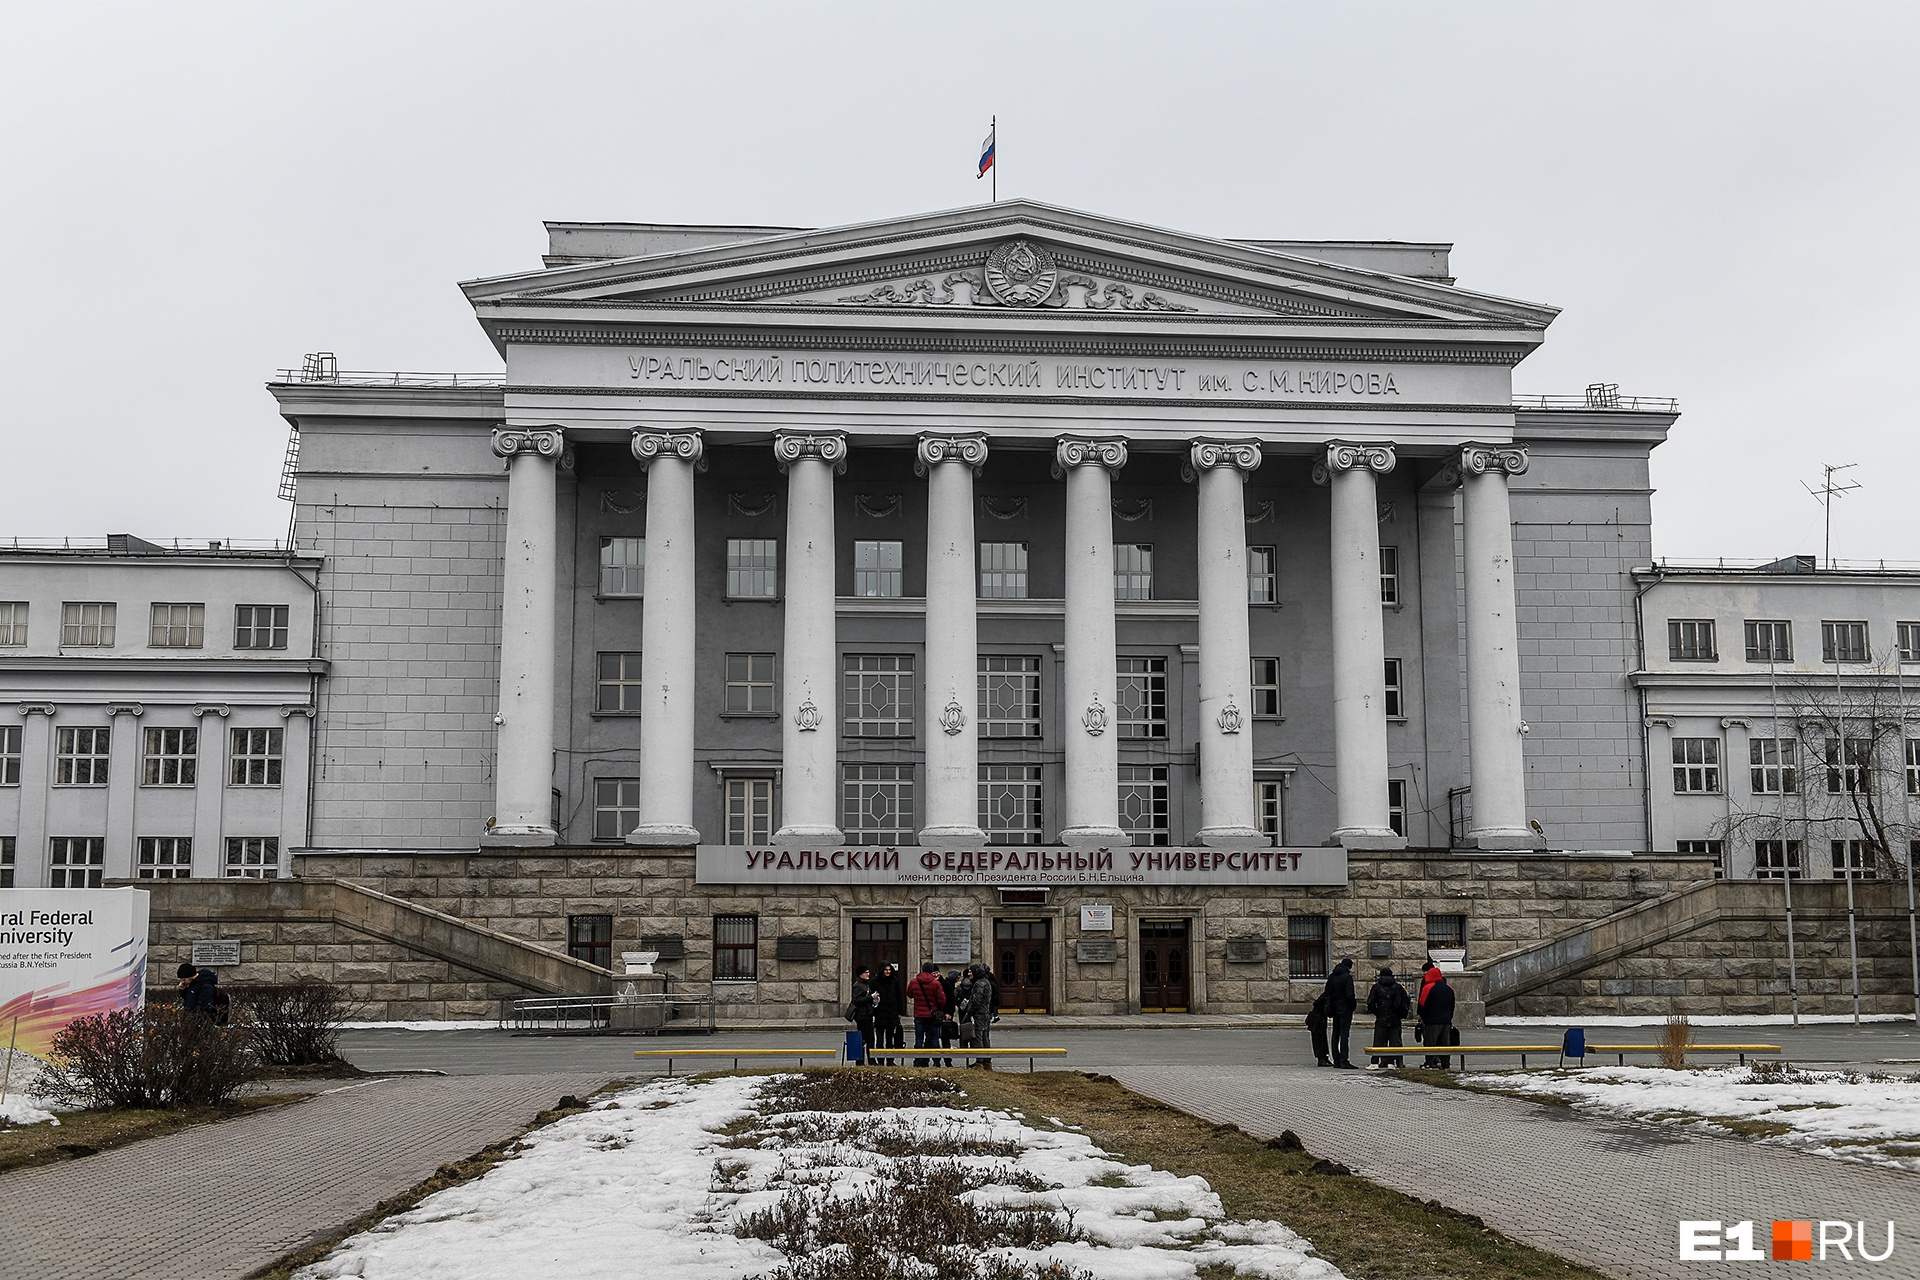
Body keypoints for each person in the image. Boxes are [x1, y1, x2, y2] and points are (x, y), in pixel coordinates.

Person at [1363, 968, 1410, 1069]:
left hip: (1381, 1017)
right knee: (1394, 1042)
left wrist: (1377, 1012)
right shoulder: (1398, 987)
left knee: (1378, 1041)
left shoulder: (1377, 987)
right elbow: (1405, 1002)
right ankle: (1391, 1063)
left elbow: (1370, 1003)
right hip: (1395, 1018)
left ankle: (1374, 1062)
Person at [907, 962, 946, 1066]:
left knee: (919, 1039)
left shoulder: (914, 982)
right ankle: (936, 1062)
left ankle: (918, 1062)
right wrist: (938, 1009)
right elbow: (942, 1000)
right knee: (934, 1039)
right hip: (932, 1015)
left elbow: (909, 994)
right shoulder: (936, 984)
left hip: (919, 1015)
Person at [1323, 957, 1357, 1069]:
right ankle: (1344, 1060)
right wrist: (1352, 1006)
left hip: (1334, 1009)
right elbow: (1350, 995)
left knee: (1335, 1034)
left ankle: (1336, 1060)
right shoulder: (1347, 978)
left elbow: (1327, 992)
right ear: (1349, 967)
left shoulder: (1332, 976)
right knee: (1344, 1035)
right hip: (1345, 1009)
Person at [960, 962, 996, 1068]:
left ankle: (979, 1062)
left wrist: (969, 1013)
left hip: (979, 1014)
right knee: (984, 1037)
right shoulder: (986, 982)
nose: (969, 974)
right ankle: (987, 1061)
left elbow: (976, 1001)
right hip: (985, 1013)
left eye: (971, 971)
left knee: (977, 1038)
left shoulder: (979, 983)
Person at [1421, 972, 1457, 1070]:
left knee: (1430, 1043)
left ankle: (1429, 1063)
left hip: (1431, 1020)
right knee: (1445, 1043)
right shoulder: (1449, 988)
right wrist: (1449, 1018)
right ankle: (1446, 1064)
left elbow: (1422, 1004)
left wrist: (1422, 1016)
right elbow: (1452, 1005)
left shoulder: (1428, 988)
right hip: (1446, 1020)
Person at [848, 964, 879, 1064]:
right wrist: (871, 997)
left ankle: (871, 1060)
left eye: (868, 972)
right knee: (863, 1039)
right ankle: (861, 1061)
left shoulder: (866, 984)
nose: (868, 974)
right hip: (862, 1016)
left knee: (870, 1039)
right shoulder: (857, 986)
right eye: (865, 972)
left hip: (868, 1015)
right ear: (860, 974)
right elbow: (856, 1000)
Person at [1417, 959, 1444, 1068]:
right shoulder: (1443, 982)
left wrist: (1420, 1013)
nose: (1423, 973)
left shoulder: (1427, 984)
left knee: (1430, 1040)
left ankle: (1431, 1061)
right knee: (1440, 1040)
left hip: (1430, 1016)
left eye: (1424, 971)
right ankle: (1440, 1060)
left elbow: (1422, 999)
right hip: (1442, 1016)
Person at [875, 963, 904, 1062]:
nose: (888, 972)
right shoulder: (875, 981)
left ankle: (890, 1060)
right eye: (886, 970)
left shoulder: (894, 980)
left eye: (889, 970)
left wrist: (899, 1012)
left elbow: (899, 997)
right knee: (879, 1040)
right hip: (880, 1013)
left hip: (891, 1014)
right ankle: (880, 1060)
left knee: (889, 1040)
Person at [1305, 991, 1332, 1067]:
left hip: (1320, 1017)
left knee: (1323, 1038)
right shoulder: (1328, 995)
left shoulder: (1328, 994)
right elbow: (1317, 1004)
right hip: (1318, 1018)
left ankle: (1324, 1057)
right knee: (1319, 1038)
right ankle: (1321, 1058)